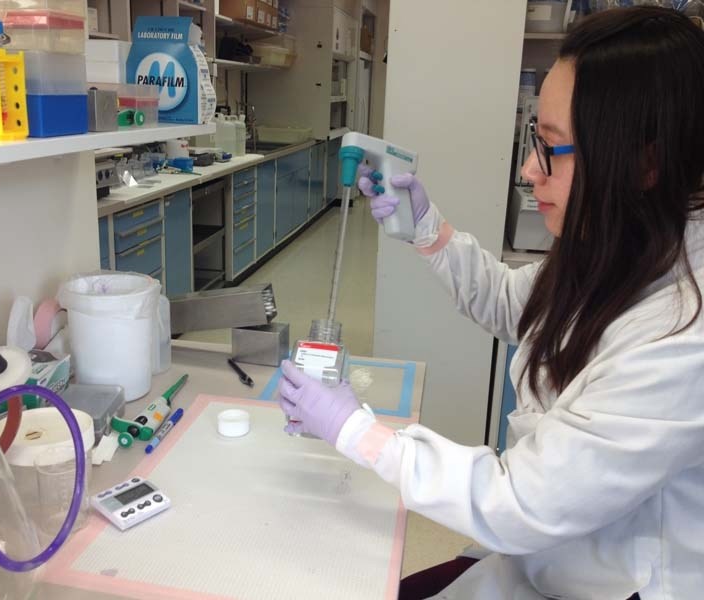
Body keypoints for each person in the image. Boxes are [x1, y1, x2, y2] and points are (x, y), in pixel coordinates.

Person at [276, 7, 704, 600]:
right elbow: (512, 302)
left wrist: (355, 430)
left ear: (644, 163)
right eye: (535, 138)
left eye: (551, 147)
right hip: (539, 559)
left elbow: (519, 499)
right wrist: (426, 228)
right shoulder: (620, 247)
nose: (530, 171)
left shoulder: (684, 339)